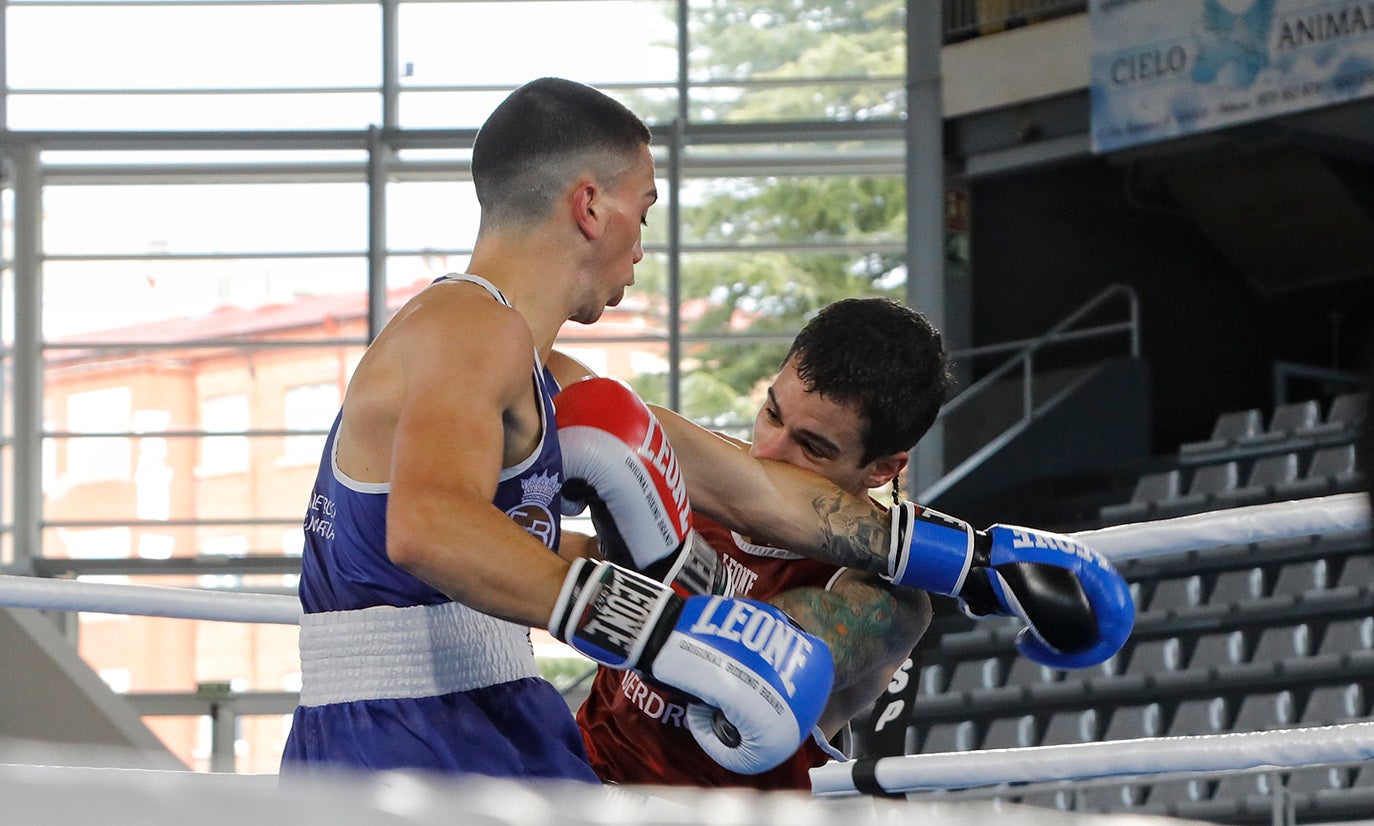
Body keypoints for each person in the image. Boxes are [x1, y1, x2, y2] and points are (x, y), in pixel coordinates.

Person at [279, 77, 836, 782]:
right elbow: (428, 528)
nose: (642, 248)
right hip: (405, 738)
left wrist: (950, 558)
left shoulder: (539, 368)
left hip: (485, 707)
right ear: (590, 205)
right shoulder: (471, 328)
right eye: (644, 210)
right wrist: (654, 626)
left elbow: (748, 487)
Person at [573, 297, 948, 789]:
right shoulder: (702, 473)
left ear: (882, 469)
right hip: (571, 778)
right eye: (772, 413)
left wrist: (649, 548)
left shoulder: (882, 598)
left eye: (812, 446)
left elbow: (744, 662)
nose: (768, 451)